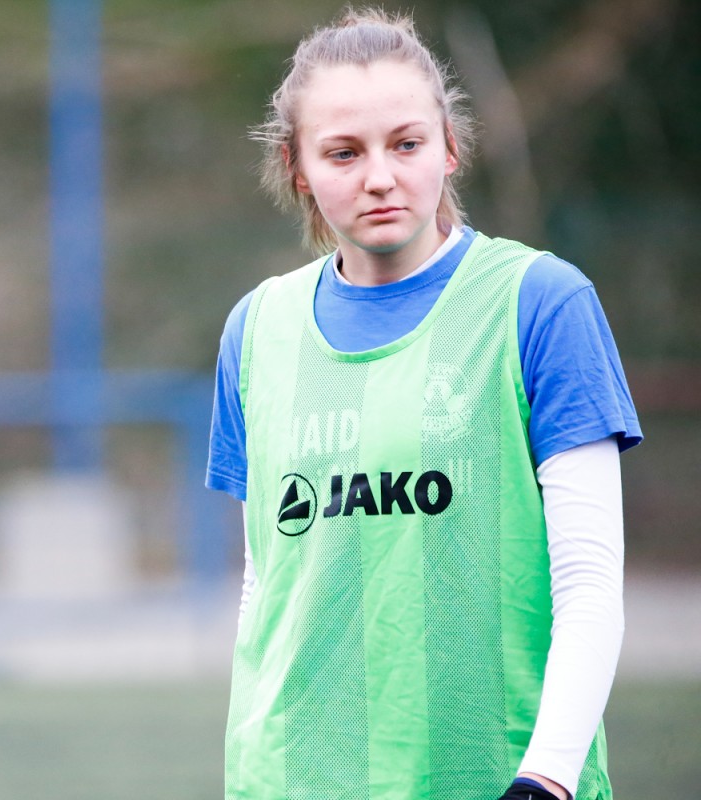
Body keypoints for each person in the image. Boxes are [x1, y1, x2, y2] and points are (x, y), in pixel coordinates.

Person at [205, 8, 642, 800]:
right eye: (344, 151)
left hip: (501, 780)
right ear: (297, 167)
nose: (379, 176)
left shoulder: (540, 302)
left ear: (450, 147)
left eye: (406, 144)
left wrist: (546, 778)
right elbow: (266, 583)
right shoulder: (257, 328)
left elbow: (589, 584)